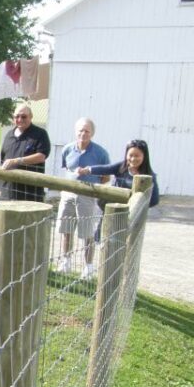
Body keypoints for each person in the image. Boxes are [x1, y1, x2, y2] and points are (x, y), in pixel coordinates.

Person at [55, 117, 111, 279]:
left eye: (86, 130)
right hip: (68, 193)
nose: (83, 133)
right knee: (66, 229)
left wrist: (91, 187)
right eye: (80, 130)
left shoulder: (100, 153)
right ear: (75, 131)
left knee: (87, 232)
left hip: (87, 196)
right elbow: (66, 168)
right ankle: (66, 262)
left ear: (92, 133)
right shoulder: (67, 149)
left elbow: (106, 177)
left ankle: (88, 267)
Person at [77, 138, 160, 240]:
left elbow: (154, 200)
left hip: (133, 217)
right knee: (106, 241)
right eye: (130, 155)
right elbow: (106, 168)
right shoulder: (121, 167)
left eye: (137, 156)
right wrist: (88, 170)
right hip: (112, 213)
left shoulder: (150, 176)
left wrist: (137, 203)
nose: (133, 159)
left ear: (144, 156)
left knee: (123, 243)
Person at [0, 105, 51, 201]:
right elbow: (3, 159)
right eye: (17, 116)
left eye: (24, 116)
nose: (20, 119)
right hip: (8, 192)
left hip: (30, 194)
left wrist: (17, 161)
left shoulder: (40, 134)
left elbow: (41, 156)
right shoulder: (9, 135)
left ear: (31, 117)